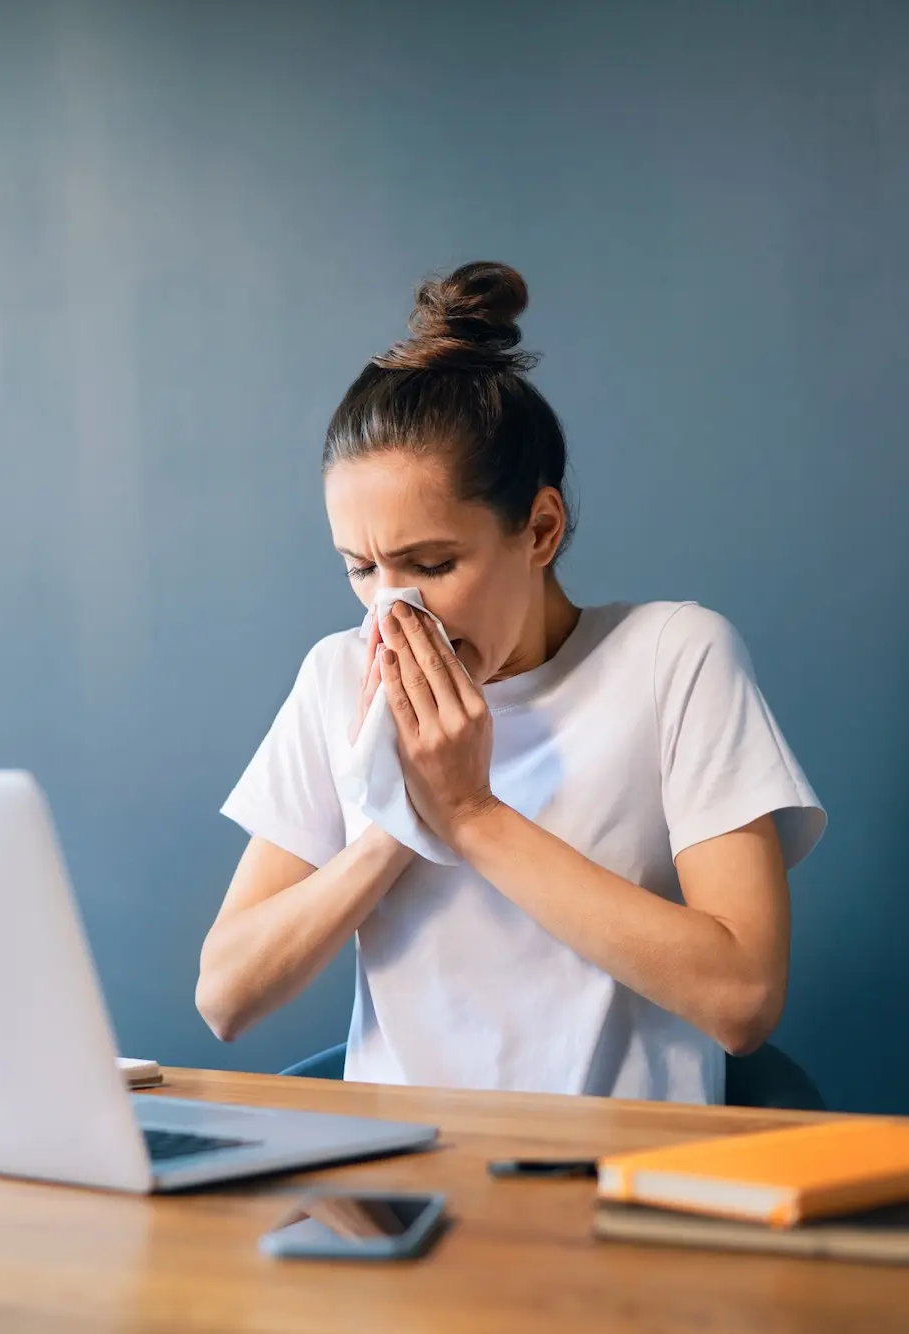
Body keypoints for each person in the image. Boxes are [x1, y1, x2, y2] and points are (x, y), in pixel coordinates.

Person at [197, 262, 825, 1102]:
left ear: (539, 528)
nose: (393, 608)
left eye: (431, 563)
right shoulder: (337, 675)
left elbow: (744, 998)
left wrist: (470, 813)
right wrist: (397, 815)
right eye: (360, 568)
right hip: (400, 1183)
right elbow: (226, 996)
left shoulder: (675, 658)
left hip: (619, 1191)